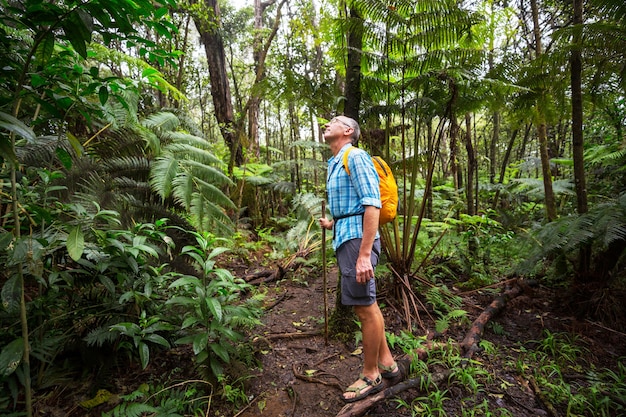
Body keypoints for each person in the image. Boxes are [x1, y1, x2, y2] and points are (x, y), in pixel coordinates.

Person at [319, 115, 399, 403]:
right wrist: (333, 223)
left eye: (333, 121)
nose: (327, 125)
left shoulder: (356, 156)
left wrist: (365, 254)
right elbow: (353, 206)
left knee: (363, 307)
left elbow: (372, 204)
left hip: (357, 242)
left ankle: (371, 374)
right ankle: (388, 363)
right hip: (347, 235)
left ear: (348, 131)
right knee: (367, 304)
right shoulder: (336, 161)